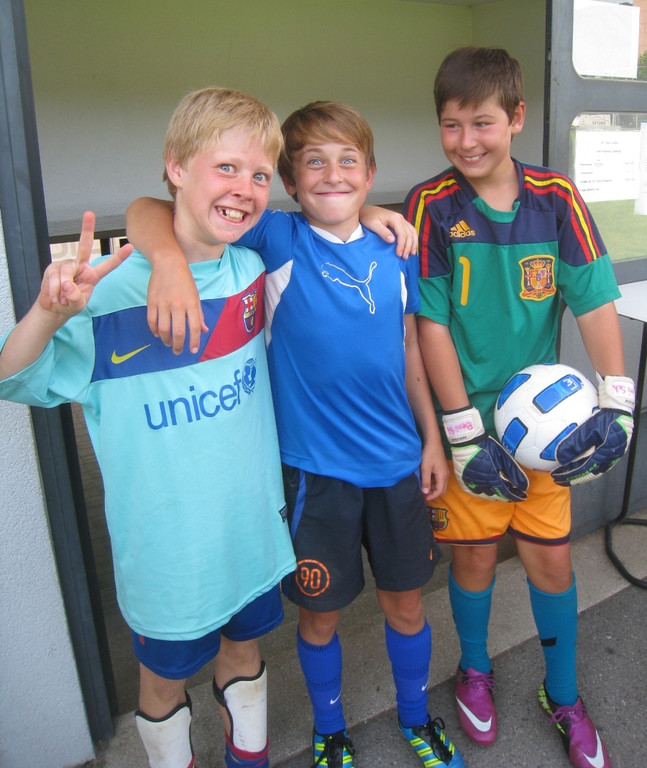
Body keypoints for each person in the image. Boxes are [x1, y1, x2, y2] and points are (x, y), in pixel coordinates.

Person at [126, 101, 466, 768]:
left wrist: (432, 439)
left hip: (398, 466)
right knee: (320, 616)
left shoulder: (397, 249)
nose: (333, 175)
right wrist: (165, 260)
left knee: (406, 606)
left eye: (348, 162)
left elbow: (409, 352)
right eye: (314, 162)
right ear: (289, 180)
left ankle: (415, 716)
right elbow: (150, 207)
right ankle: (330, 729)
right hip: (316, 474)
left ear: (370, 173)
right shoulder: (279, 239)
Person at [0, 87, 298, 768]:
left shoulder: (251, 272)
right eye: (226, 167)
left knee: (246, 653)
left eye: (259, 175)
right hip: (168, 554)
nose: (245, 188)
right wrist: (48, 313)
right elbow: (13, 378)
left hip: (249, 530)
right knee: (162, 683)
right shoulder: (108, 295)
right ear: (176, 167)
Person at [403, 46, 635, 768]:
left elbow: (593, 298)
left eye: (482, 122)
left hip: (544, 433)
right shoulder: (430, 206)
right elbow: (429, 325)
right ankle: (474, 668)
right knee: (473, 558)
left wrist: (618, 401)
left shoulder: (556, 199)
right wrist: (461, 435)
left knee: (550, 563)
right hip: (469, 430)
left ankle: (561, 693)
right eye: (451, 124)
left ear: (516, 118)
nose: (466, 140)